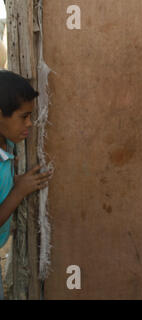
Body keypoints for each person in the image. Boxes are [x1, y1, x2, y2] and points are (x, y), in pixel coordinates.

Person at [0, 70, 53, 299]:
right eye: (24, 117)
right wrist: (18, 192)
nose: (30, 124)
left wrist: (14, 182)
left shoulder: (7, 148)